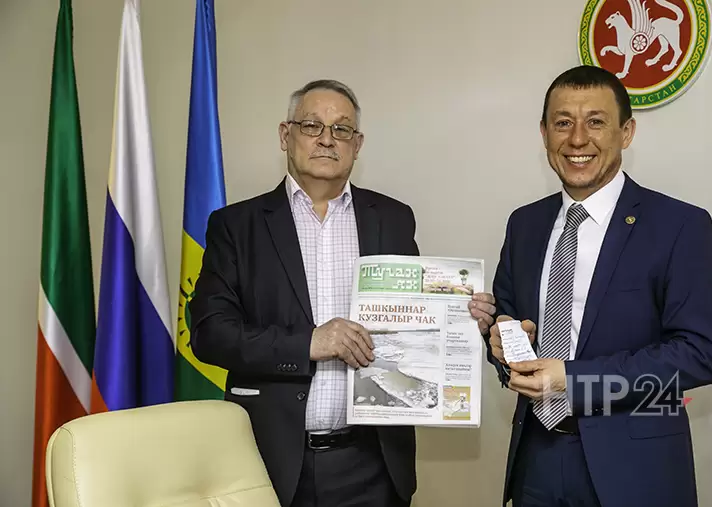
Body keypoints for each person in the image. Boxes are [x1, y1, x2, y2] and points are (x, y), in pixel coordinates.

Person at [189, 79, 497, 507]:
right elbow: (210, 334)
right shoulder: (236, 226)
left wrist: (462, 318)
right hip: (268, 461)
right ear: (286, 135)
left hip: (371, 465)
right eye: (312, 125)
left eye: (342, 129)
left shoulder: (392, 218)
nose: (327, 139)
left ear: (357, 144)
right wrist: (309, 343)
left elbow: (415, 321)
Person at [487, 65, 712, 507]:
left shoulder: (679, 225)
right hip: (536, 460)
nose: (578, 139)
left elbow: (699, 355)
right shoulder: (524, 224)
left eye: (595, 122)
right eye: (563, 123)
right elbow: (509, 321)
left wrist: (572, 380)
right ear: (544, 134)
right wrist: (500, 342)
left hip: (636, 469)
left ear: (626, 132)